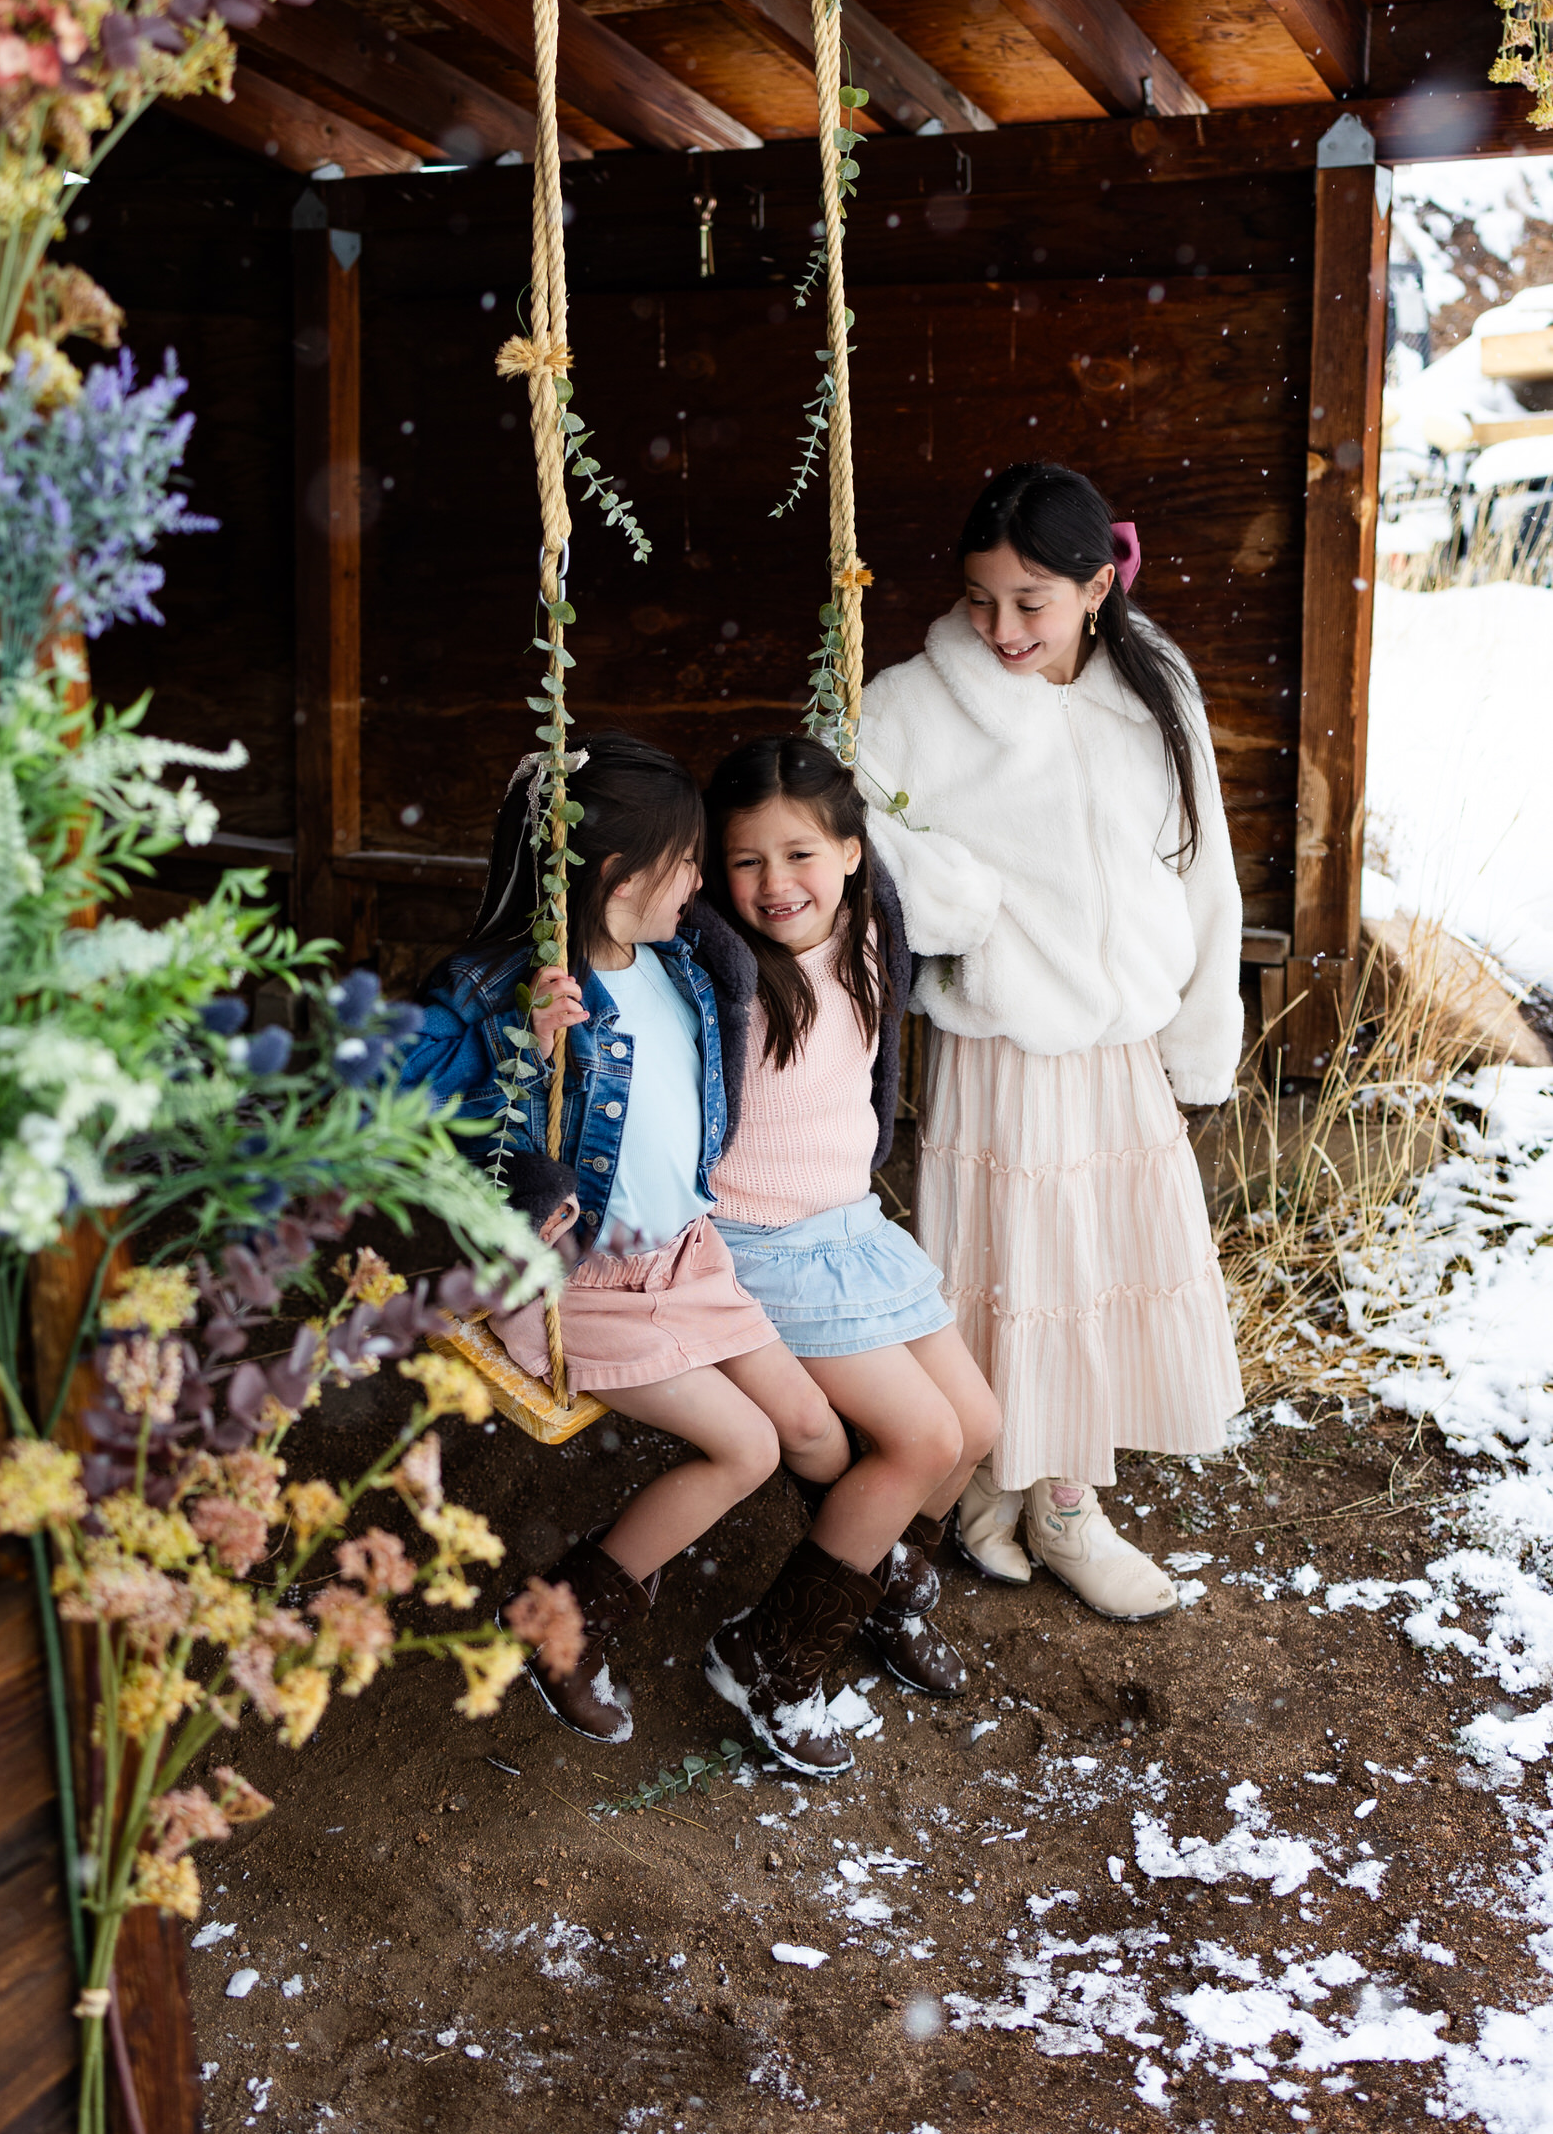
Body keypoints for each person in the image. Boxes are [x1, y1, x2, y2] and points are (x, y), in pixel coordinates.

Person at [400, 732, 849, 1746]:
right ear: (611, 874)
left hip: (688, 1257)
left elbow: (813, 909)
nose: (701, 878)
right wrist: (514, 1050)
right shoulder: (508, 991)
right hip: (581, 1286)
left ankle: (872, 1562)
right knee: (746, 1444)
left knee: (812, 1426)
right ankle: (556, 1624)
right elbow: (407, 1111)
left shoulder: (679, 959)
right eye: (684, 861)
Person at [855, 461, 1244, 1621]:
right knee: (1007, 1271)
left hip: (1119, 1040)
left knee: (1096, 1272)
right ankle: (992, 1480)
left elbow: (1203, 865)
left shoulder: (1152, 681)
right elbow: (850, 826)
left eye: (1030, 601)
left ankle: (1061, 1503)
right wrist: (954, 907)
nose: (1000, 628)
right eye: (980, 599)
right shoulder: (912, 703)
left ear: (1094, 583)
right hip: (1005, 1043)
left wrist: (1196, 1030)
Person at [690, 736, 1000, 1773]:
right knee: (916, 1440)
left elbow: (948, 888)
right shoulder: (714, 969)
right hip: (761, 1247)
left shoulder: (875, 928)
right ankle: (770, 1656)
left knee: (974, 1428)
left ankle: (859, 1586)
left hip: (851, 1229)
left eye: (800, 855)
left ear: (856, 852)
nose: (775, 885)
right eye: (745, 862)